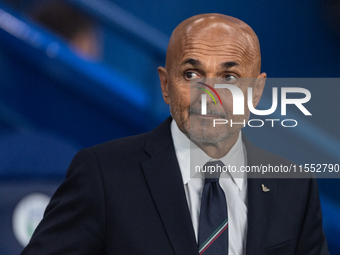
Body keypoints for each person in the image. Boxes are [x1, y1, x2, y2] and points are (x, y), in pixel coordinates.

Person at [21, 14, 329, 255]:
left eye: (229, 77)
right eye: (191, 75)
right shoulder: (102, 173)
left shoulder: (294, 185)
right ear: (166, 85)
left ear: (257, 92)